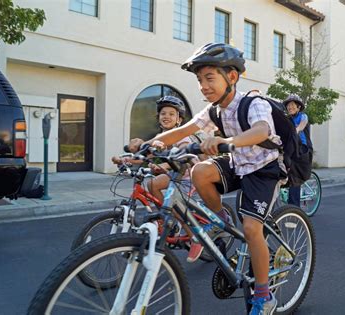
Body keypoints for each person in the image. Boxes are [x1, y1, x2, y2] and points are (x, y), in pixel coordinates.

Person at [146, 43, 281, 314]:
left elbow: (261, 130)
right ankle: (222, 220)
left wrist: (227, 141)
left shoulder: (253, 103)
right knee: (200, 171)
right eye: (199, 80)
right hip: (236, 164)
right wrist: (144, 147)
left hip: (262, 169)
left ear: (232, 77)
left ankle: (264, 297)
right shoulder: (213, 110)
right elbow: (179, 132)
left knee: (253, 230)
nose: (203, 86)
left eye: (210, 78)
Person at [114, 96, 207, 263]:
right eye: (163, 113)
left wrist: (163, 166)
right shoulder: (161, 137)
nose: (166, 116)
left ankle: (195, 238)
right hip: (175, 176)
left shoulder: (182, 137)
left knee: (176, 207)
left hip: (189, 178)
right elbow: (143, 156)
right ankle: (168, 219)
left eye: (172, 114)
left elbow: (181, 158)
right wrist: (126, 160)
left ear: (179, 119)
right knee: (151, 184)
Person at [284, 94, 311, 207]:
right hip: (291, 146)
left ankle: (294, 207)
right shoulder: (287, 119)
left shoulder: (303, 116)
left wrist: (296, 130)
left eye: (292, 105)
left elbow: (302, 125)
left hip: (302, 148)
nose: (289, 107)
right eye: (288, 106)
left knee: (294, 175)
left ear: (298, 107)